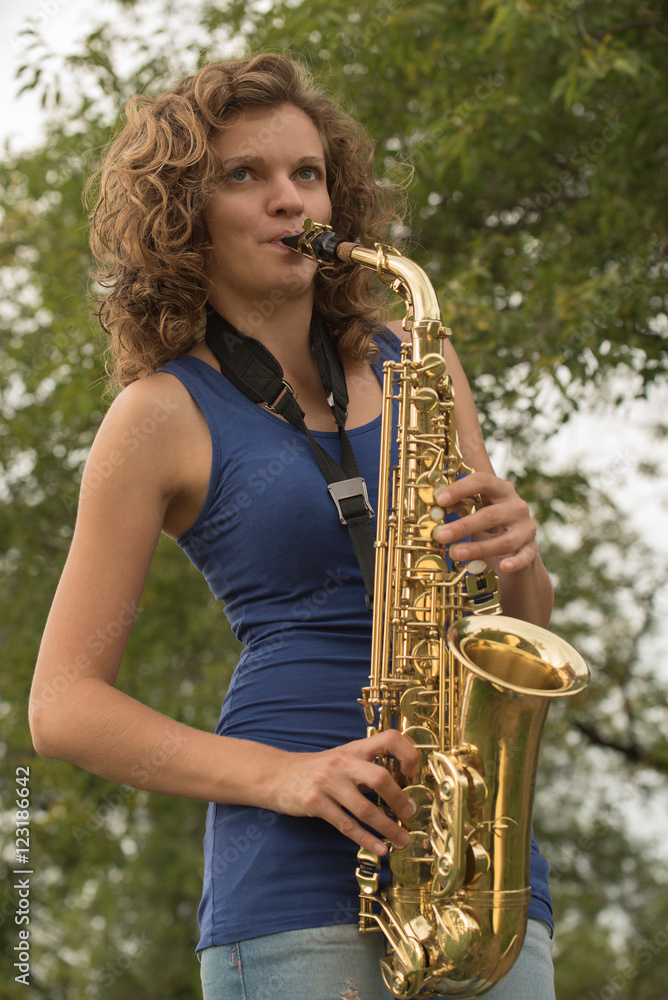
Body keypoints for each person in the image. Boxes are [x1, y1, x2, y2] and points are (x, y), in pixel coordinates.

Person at [29, 53, 556, 1000]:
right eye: (245, 175)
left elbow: (520, 625)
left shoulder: (418, 362)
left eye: (306, 174)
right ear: (184, 215)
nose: (289, 200)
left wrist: (516, 553)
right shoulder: (157, 412)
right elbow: (62, 706)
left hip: (478, 869)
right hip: (293, 883)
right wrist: (290, 779)